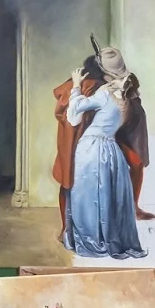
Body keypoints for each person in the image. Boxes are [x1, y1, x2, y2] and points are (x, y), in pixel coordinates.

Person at [59, 63, 146, 260]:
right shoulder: (124, 103)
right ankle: (103, 237)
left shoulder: (106, 96)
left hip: (95, 148)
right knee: (102, 193)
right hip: (106, 149)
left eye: (117, 79)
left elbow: (75, 112)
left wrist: (76, 85)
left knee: (91, 194)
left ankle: (94, 238)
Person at [93, 44, 154, 220]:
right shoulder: (98, 84)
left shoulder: (129, 80)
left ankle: (133, 207)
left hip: (127, 130)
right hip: (107, 134)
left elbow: (133, 104)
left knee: (137, 163)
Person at [51, 54, 105, 235]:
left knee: (67, 184)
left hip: (66, 143)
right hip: (87, 143)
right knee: (90, 188)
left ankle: (66, 229)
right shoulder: (98, 87)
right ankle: (86, 231)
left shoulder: (69, 86)